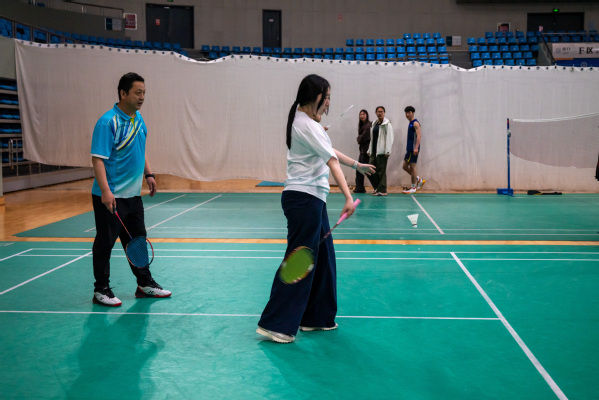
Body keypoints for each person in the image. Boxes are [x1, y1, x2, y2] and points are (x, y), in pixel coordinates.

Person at [256, 74, 375, 343]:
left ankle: (316, 318)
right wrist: (348, 196)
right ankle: (275, 324)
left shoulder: (307, 123)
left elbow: (330, 151)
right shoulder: (306, 124)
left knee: (323, 260)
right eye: (327, 97)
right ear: (316, 97)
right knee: (300, 262)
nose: (329, 102)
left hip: (312, 200)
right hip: (304, 200)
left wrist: (357, 165)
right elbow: (331, 161)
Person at [91, 72, 171, 307]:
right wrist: (106, 191)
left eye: (144, 92)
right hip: (112, 196)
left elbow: (140, 149)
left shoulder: (138, 119)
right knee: (105, 243)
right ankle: (101, 289)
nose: (142, 97)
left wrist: (149, 174)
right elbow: (98, 159)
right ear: (123, 93)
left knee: (137, 241)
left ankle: (144, 284)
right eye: (138, 92)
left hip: (133, 196)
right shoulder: (108, 122)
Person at [367, 106, 394, 196]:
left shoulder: (387, 124)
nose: (380, 113)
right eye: (378, 111)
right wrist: (369, 149)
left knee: (381, 171)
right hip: (374, 151)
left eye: (381, 111)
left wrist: (388, 151)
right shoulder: (374, 124)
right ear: (376, 113)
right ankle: (377, 188)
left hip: (382, 152)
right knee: (369, 170)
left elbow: (390, 137)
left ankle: (382, 190)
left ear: (384, 113)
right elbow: (372, 138)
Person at [401, 106, 425, 194]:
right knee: (404, 166)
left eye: (409, 112)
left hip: (413, 149)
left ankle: (413, 187)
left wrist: (416, 148)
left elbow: (419, 136)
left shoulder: (415, 123)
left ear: (413, 113)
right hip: (409, 149)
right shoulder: (410, 123)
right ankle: (418, 179)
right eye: (406, 113)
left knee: (412, 167)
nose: (407, 114)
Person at [353, 109, 371, 193]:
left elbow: (363, 138)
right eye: (361, 114)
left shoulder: (368, 125)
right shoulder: (362, 125)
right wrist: (360, 138)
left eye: (364, 114)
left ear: (367, 115)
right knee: (360, 169)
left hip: (366, 151)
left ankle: (377, 186)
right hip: (362, 151)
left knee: (364, 170)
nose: (362, 116)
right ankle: (360, 187)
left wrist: (358, 138)